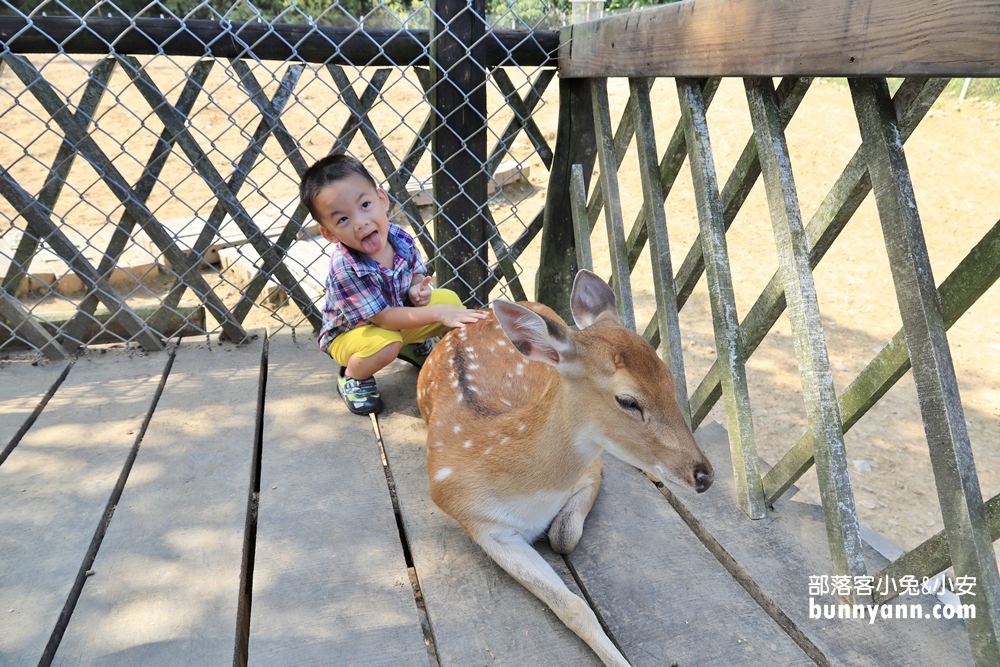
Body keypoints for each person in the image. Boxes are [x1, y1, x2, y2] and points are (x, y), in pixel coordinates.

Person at [300, 154, 488, 415]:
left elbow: (415, 272)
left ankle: (411, 345)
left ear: (382, 199)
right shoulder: (346, 267)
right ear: (330, 233)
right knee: (387, 343)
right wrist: (436, 313)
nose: (361, 222)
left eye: (365, 205)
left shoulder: (399, 237)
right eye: (342, 219)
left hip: (395, 321)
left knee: (450, 301)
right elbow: (384, 319)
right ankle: (353, 376)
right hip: (353, 335)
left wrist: (417, 287)